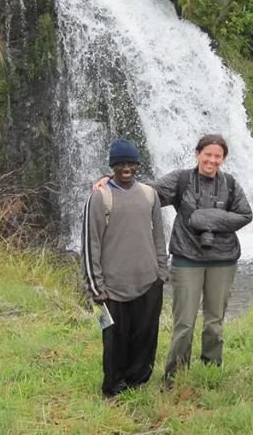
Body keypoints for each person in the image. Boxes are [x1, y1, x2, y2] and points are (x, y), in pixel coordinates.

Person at [94, 134, 252, 388]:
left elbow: (246, 214)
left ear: (223, 159)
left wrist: (209, 218)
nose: (212, 160)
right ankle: (174, 375)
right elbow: (144, 191)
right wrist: (108, 181)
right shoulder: (182, 180)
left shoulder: (231, 184)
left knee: (214, 323)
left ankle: (211, 371)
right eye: (207, 154)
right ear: (197, 153)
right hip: (186, 257)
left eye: (217, 156)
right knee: (184, 323)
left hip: (223, 259)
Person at [81, 138, 168, 398]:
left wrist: (161, 273)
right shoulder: (99, 197)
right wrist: (95, 287)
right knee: (112, 340)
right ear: (112, 166)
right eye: (120, 163)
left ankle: (138, 381)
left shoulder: (149, 194)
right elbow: (89, 244)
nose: (126, 168)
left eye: (131, 163)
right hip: (109, 288)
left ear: (138, 165)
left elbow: (159, 237)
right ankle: (113, 387)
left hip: (149, 282)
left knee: (145, 335)